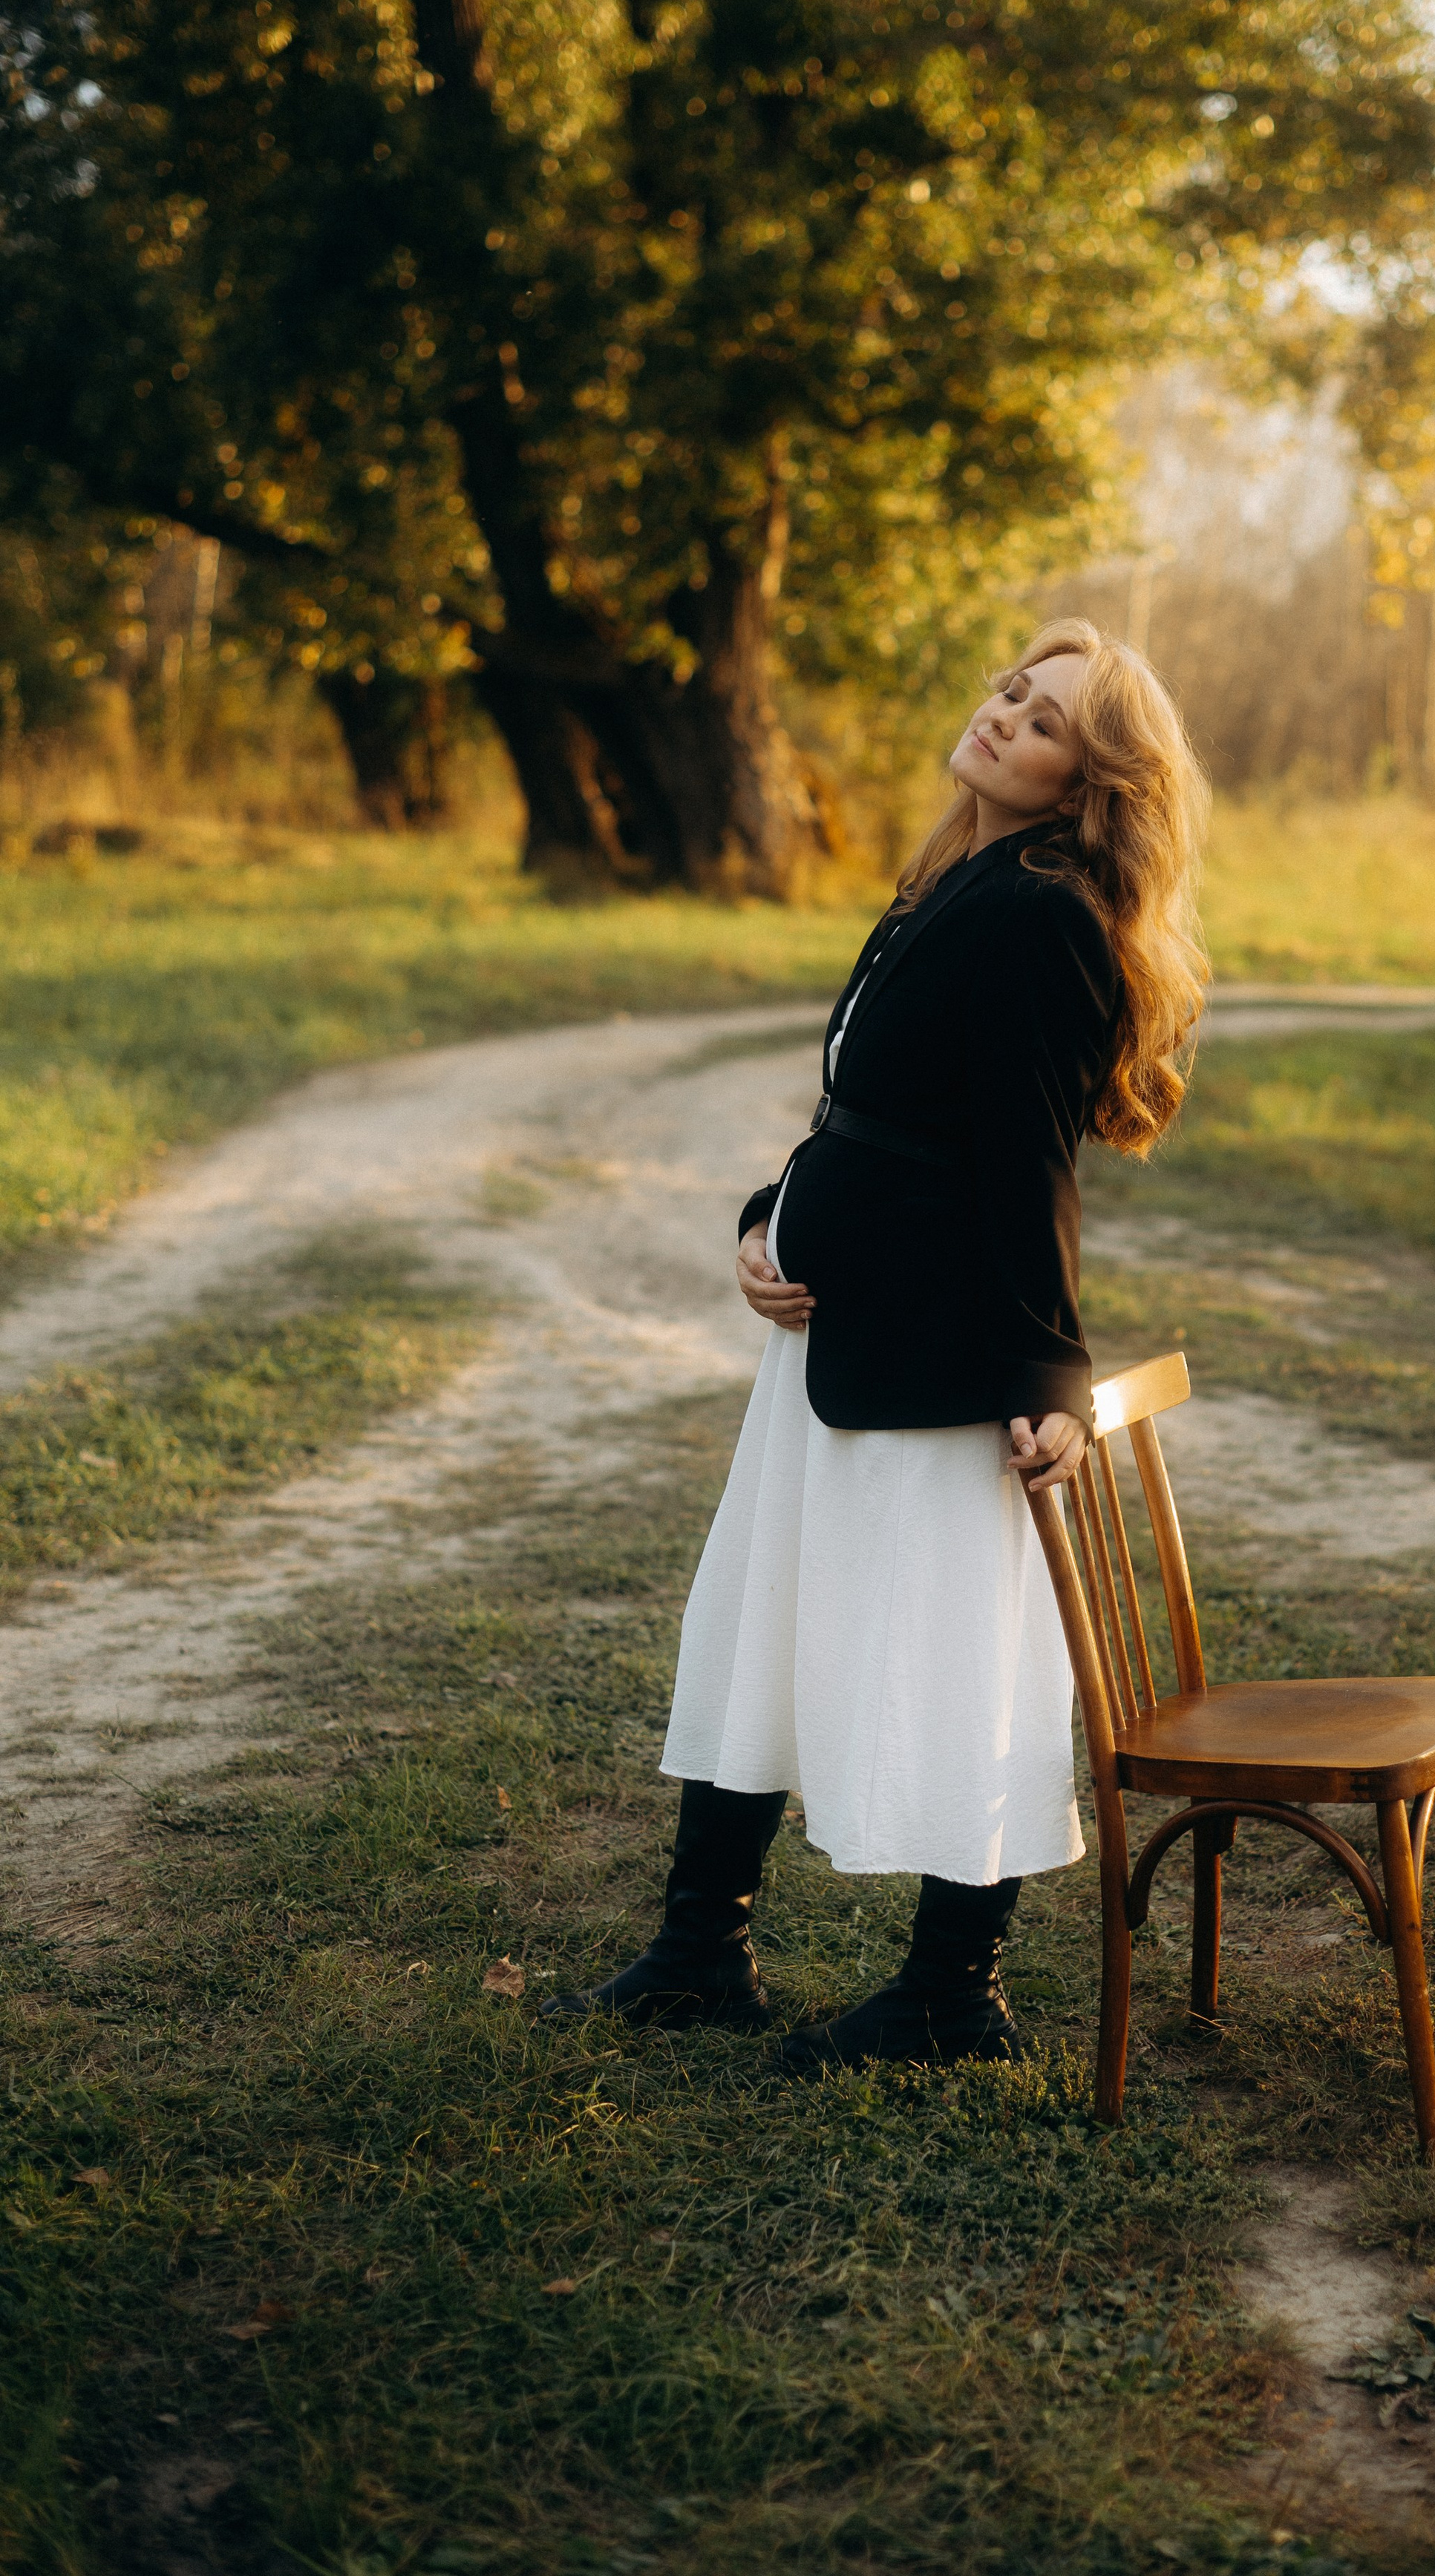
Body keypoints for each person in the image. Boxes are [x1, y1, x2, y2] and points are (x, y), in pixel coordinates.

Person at [541, 618, 1209, 2068]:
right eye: (1006, 692)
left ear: (1087, 783)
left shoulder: (1038, 910)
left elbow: (1022, 1159)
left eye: (1043, 724)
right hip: (840, 1331)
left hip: (939, 1356)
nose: (1002, 720)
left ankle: (949, 1991)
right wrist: (769, 1218)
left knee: (955, 1651)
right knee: (756, 1618)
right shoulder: (947, 878)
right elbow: (868, 1108)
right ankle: (696, 1949)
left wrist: (1042, 1376)